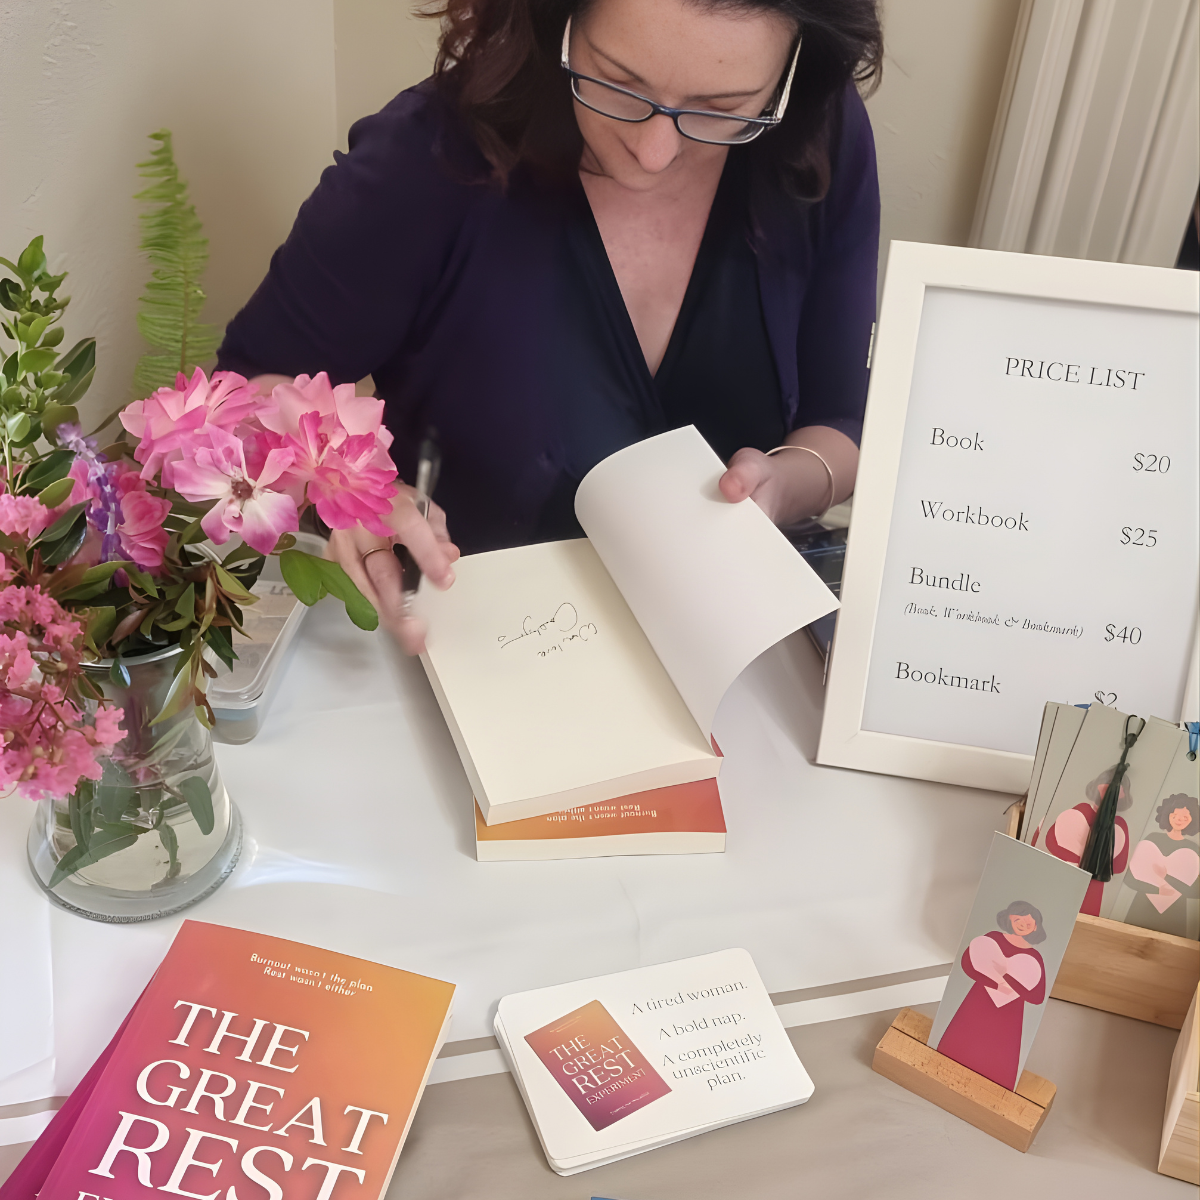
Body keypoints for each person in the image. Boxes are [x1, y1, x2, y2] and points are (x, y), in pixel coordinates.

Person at [217, 0, 882, 651]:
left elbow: (839, 426)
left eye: (722, 109)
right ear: (559, 18)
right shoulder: (429, 157)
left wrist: (783, 484)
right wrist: (345, 489)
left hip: (729, 662)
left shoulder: (813, 137)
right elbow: (239, 393)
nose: (655, 151)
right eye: (619, 83)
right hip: (476, 660)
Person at [935, 901, 1047, 1091]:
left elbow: (1037, 997)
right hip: (979, 1000)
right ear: (1008, 919)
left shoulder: (1034, 958)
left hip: (1009, 1013)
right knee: (965, 1034)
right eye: (1018, 920)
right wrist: (995, 984)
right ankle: (940, 1066)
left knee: (999, 1051)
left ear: (1036, 926)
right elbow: (968, 965)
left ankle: (992, 1089)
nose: (1023, 925)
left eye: (1029, 923)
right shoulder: (992, 939)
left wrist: (1008, 980)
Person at [1123, 793, 1200, 938]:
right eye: (1175, 814)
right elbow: (1129, 879)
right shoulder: (1152, 839)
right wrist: (1157, 890)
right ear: (1166, 814)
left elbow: (1196, 892)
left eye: (1186, 817)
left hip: (1175, 913)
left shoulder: (1193, 850)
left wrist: (1167, 877)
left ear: (1193, 820)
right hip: (1141, 908)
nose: (1180, 819)